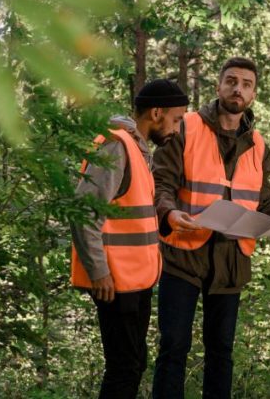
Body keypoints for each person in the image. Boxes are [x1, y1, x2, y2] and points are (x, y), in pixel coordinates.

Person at [151, 57, 270, 399]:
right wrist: (168, 214)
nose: (237, 88)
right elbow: (161, 184)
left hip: (231, 261)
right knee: (173, 349)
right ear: (218, 85)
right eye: (231, 81)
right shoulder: (186, 127)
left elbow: (265, 201)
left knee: (221, 353)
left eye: (246, 84)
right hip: (183, 255)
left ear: (253, 94)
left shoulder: (258, 145)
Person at [71, 79, 189, 399]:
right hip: (114, 281)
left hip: (134, 280)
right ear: (156, 113)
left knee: (134, 364)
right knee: (124, 368)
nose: (177, 129)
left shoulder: (137, 148)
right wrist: (99, 272)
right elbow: (83, 212)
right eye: (176, 119)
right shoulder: (115, 144)